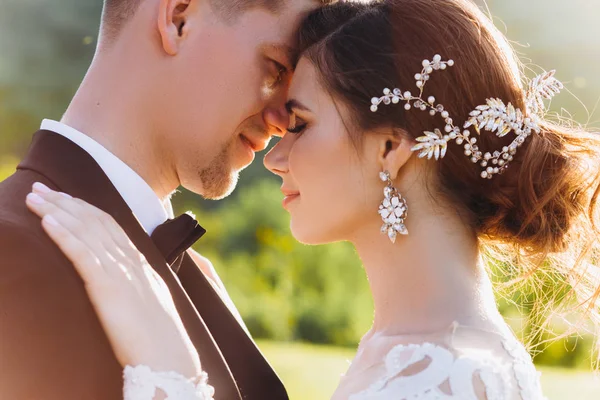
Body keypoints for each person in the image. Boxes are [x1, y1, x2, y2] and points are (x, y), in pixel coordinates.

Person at [24, 0, 600, 399]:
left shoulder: (436, 375)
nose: (275, 141)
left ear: (392, 147)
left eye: (300, 122)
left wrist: (171, 374)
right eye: (275, 67)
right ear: (176, 18)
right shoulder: (425, 352)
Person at [0, 0, 325, 399]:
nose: (281, 120)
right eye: (277, 69)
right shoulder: (10, 256)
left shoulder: (199, 279)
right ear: (178, 18)